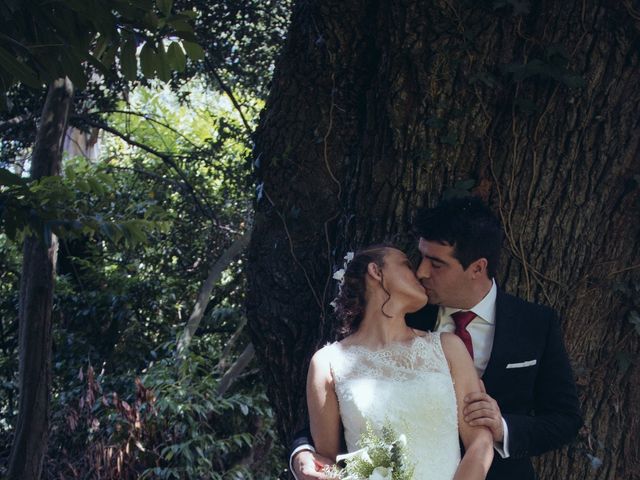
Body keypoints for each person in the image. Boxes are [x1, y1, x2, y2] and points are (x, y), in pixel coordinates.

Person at [291, 196, 582, 480]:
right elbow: (339, 406)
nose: (421, 271)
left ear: (477, 268)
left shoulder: (534, 323)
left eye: (437, 263)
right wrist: (302, 454)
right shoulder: (403, 316)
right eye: (419, 258)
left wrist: (501, 428)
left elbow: (565, 419)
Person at [307, 244, 494, 479]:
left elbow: (480, 441)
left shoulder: (448, 347)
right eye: (406, 265)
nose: (418, 274)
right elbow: (327, 462)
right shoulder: (327, 363)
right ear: (376, 272)